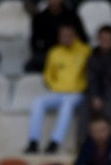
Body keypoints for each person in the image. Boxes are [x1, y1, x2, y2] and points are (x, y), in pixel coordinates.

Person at [25, 24, 92, 154]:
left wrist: (81, 86)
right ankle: (33, 141)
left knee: (67, 104)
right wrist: (55, 86)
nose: (65, 38)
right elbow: (48, 75)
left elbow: (89, 74)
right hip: (58, 91)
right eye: (62, 36)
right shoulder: (54, 52)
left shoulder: (86, 51)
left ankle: (55, 142)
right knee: (38, 102)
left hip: (77, 93)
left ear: (75, 36)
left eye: (68, 35)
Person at [24, 0, 87, 73]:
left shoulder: (72, 16)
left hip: (71, 53)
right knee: (31, 65)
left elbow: (83, 39)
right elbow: (34, 42)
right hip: (49, 54)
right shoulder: (39, 18)